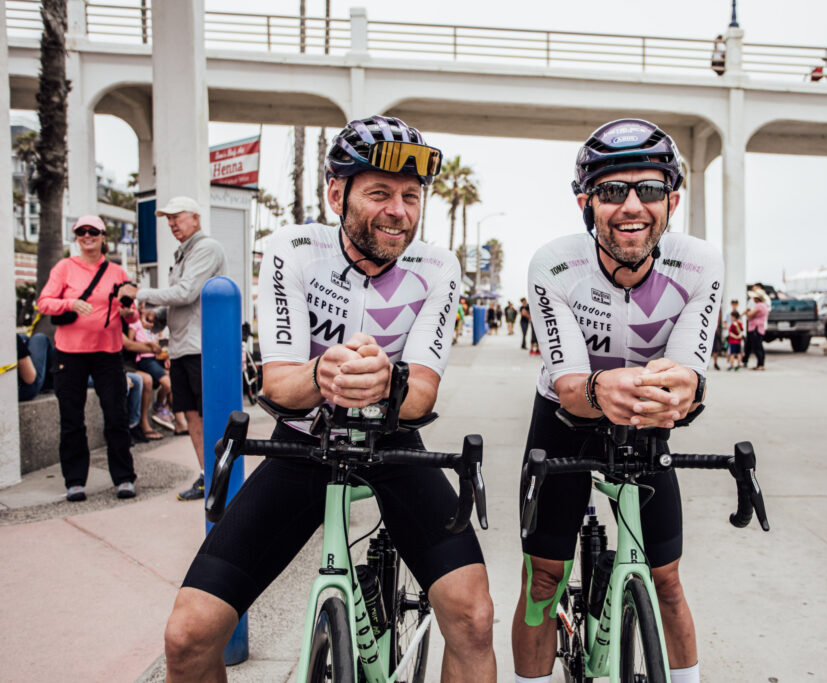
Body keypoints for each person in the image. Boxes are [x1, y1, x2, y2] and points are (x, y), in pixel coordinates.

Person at [163, 116, 496, 683]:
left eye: (411, 197)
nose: (399, 211)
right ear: (336, 193)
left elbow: (421, 395)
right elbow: (278, 385)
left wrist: (387, 383)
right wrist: (324, 373)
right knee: (187, 637)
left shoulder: (437, 267)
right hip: (303, 445)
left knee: (473, 619)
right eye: (380, 193)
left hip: (395, 444)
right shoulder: (294, 250)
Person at [513, 118, 722, 683]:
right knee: (542, 578)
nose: (632, 206)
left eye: (649, 190)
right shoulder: (554, 265)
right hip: (564, 420)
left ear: (672, 200)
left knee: (667, 579)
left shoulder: (700, 263)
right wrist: (603, 389)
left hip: (648, 420)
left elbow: (687, 377)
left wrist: (685, 390)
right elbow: (570, 388)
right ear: (586, 202)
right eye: (611, 191)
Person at [124, 196, 227, 501]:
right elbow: (183, 302)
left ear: (196, 218)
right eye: (168, 219)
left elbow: (185, 292)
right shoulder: (184, 253)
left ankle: (224, 480)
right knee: (193, 416)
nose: (171, 224)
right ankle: (208, 478)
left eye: (177, 217)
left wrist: (139, 293)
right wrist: (156, 316)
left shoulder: (206, 247)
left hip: (202, 348)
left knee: (211, 416)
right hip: (183, 348)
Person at [35, 215, 139, 501]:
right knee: (71, 417)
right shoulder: (64, 268)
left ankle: (124, 478)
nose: (87, 235)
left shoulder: (116, 272)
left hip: (108, 352)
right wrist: (70, 302)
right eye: (81, 231)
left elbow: (132, 311)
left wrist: (130, 313)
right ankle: (75, 480)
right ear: (76, 236)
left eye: (93, 231)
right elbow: (44, 302)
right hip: (70, 353)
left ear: (103, 236)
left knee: (116, 416)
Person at [16, 332, 54, 401]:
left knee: (24, 338)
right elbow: (30, 379)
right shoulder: (10, 338)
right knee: (40, 338)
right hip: (20, 390)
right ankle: (54, 380)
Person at [744, 288, 769, 371]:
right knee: (759, 346)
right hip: (760, 328)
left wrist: (747, 313)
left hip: (755, 328)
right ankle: (760, 364)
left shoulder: (759, 305)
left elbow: (750, 315)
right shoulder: (764, 305)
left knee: (756, 347)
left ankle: (760, 364)